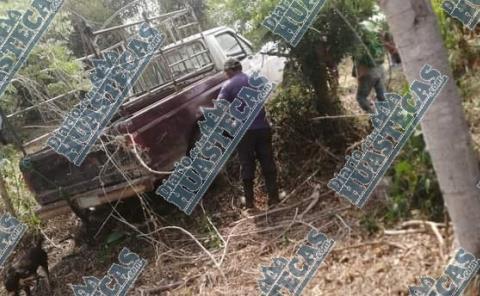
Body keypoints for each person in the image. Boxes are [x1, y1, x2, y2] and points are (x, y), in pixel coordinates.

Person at [218, 58, 280, 209]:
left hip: (244, 132)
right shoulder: (254, 79)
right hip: (263, 127)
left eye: (226, 72)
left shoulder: (227, 85)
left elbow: (220, 107)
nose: (225, 74)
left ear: (230, 71)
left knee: (247, 165)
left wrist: (231, 122)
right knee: (267, 162)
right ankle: (273, 198)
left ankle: (250, 203)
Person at [352, 30, 387, 114]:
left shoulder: (359, 48)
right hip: (380, 70)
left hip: (368, 73)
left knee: (360, 97)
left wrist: (358, 75)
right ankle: (386, 115)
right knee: (382, 96)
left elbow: (357, 63)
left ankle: (373, 114)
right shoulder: (374, 44)